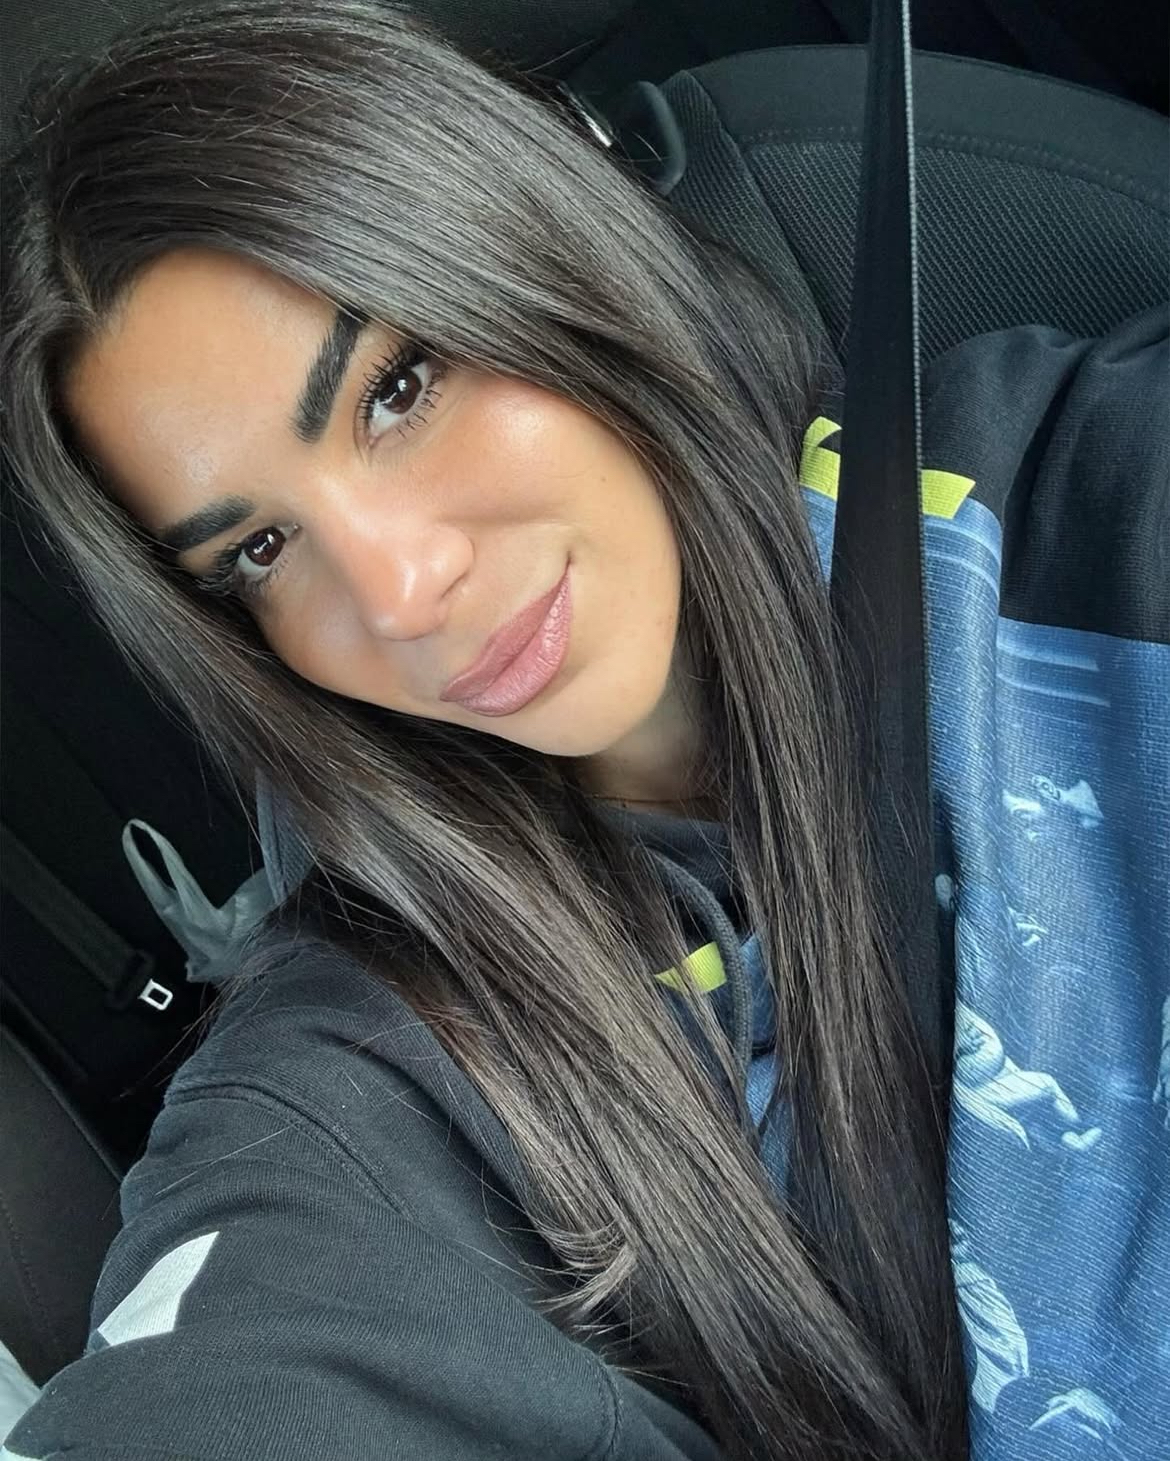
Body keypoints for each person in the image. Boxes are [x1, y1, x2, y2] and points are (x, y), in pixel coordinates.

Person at [1, 3, 1166, 1459]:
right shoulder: (382, 1045)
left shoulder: (1080, 500)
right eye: (259, 551)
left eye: (397, 390)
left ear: (543, 254)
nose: (399, 592)